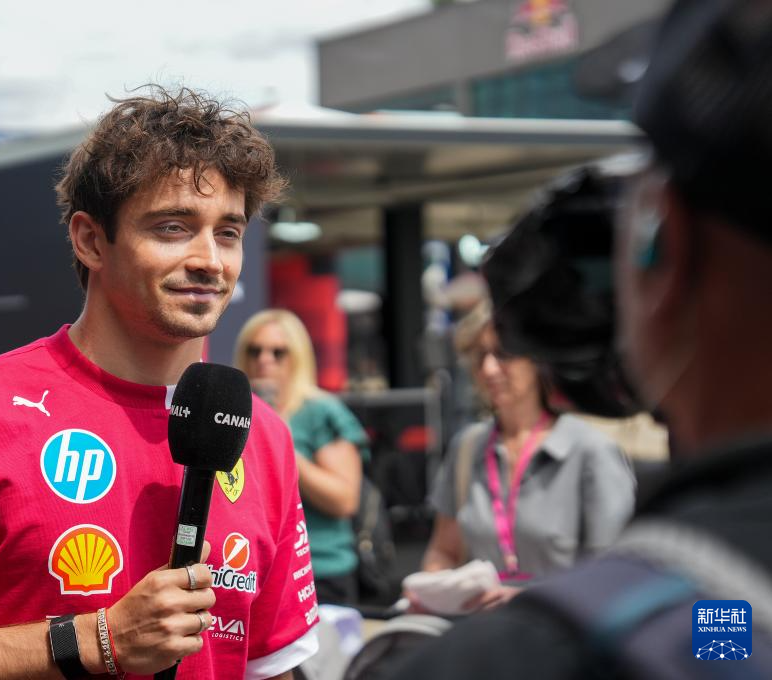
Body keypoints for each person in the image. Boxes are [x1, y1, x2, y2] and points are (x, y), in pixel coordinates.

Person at [0, 87, 319, 680]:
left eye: (228, 232)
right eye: (172, 227)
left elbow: (269, 667)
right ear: (90, 240)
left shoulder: (262, 434)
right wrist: (94, 640)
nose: (209, 259)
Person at [391, 0, 772, 675]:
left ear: (668, 249)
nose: (494, 369)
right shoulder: (715, 611)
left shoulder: (606, 637)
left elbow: (700, 623)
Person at [420, 301, 635, 611]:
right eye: (480, 356)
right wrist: (433, 589)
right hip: (483, 630)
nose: (489, 369)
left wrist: (524, 599)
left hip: (562, 630)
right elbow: (444, 551)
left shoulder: (592, 451)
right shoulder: (466, 447)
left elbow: (614, 573)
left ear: (538, 360)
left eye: (504, 353)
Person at [234, 309, 368, 605]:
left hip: (318, 572)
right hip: (251, 572)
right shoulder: (233, 413)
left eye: (278, 352)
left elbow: (344, 499)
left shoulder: (321, 411)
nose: (264, 360)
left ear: (298, 357)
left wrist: (280, 442)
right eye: (255, 350)